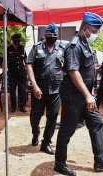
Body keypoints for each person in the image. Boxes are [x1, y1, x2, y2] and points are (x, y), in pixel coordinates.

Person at [54, 12, 103, 176]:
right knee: (67, 129)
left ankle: (101, 161)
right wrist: (88, 95)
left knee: (96, 123)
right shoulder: (74, 46)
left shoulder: (85, 43)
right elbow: (73, 71)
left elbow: (86, 70)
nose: (95, 34)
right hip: (73, 96)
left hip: (85, 95)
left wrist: (90, 92)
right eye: (94, 31)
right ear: (84, 29)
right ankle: (59, 164)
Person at [26, 23, 63, 155]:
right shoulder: (37, 48)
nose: (52, 37)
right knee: (35, 117)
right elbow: (29, 65)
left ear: (57, 36)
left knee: (52, 118)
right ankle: (35, 133)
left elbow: (67, 68)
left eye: (54, 35)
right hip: (39, 90)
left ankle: (46, 142)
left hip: (56, 90)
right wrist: (34, 85)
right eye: (49, 35)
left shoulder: (62, 48)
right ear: (45, 35)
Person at [8, 34, 27, 113]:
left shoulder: (22, 48)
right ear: (13, 40)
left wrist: (28, 69)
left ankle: (22, 106)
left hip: (21, 73)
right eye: (16, 40)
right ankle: (13, 107)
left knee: (22, 90)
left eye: (19, 40)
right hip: (12, 73)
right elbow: (5, 61)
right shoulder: (8, 49)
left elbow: (25, 60)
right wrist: (4, 72)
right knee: (12, 91)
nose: (18, 42)